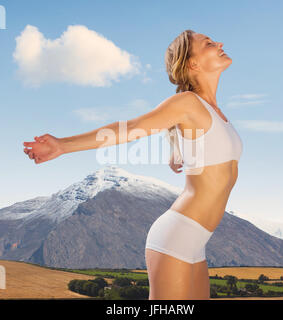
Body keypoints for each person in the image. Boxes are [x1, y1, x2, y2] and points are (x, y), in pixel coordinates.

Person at [23, 30, 243, 300]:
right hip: (175, 237)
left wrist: (177, 149)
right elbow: (133, 127)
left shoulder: (212, 112)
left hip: (196, 243)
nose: (220, 43)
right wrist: (63, 145)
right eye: (209, 44)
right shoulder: (188, 103)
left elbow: (194, 140)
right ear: (192, 64)